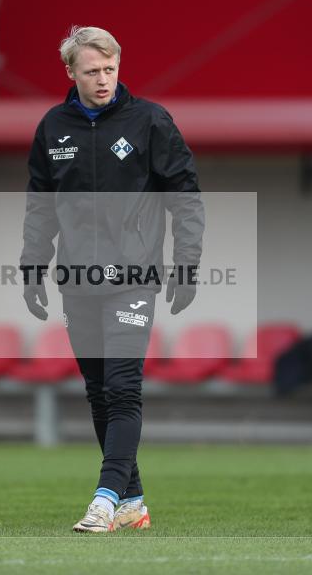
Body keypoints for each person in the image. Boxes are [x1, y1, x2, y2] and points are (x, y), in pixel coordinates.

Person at [19, 26, 204, 533]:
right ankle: (133, 501)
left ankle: (103, 500)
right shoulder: (52, 128)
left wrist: (187, 261)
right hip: (77, 280)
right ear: (71, 73)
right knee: (100, 392)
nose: (103, 80)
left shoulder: (149, 121)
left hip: (134, 278)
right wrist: (32, 265)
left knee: (123, 388)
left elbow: (185, 194)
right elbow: (41, 207)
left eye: (110, 69)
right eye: (91, 71)